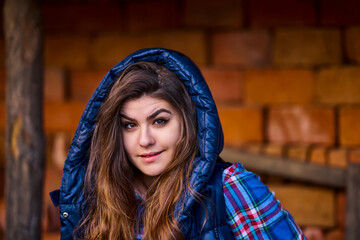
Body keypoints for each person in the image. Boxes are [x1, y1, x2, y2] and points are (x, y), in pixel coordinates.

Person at [50, 48, 306, 240]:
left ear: (188, 121)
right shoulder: (99, 198)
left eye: (160, 121)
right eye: (130, 125)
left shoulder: (229, 188)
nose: (145, 140)